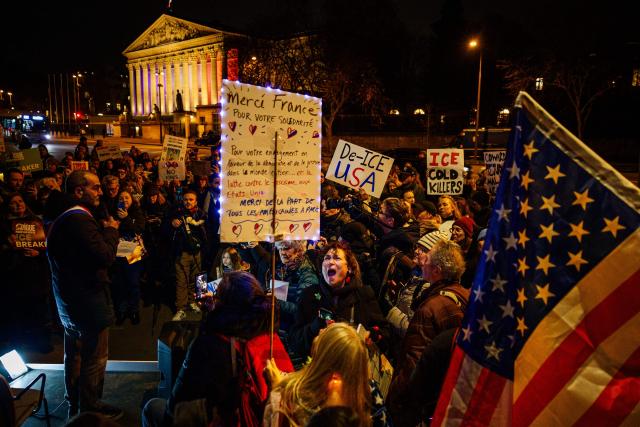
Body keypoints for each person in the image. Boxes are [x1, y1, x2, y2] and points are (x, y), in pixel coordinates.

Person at [142, 271, 293, 427]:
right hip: (263, 416)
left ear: (223, 304)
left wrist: (210, 320)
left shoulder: (209, 344)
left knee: (152, 407)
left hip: (229, 418)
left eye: (218, 296)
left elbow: (176, 406)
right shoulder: (268, 330)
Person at [46, 170, 123, 420]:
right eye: (96, 187)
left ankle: (75, 404)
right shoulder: (79, 219)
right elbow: (104, 256)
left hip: (69, 301)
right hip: (88, 302)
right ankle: (89, 411)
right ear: (79, 191)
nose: (100, 192)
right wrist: (111, 231)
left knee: (75, 354)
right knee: (95, 357)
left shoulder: (63, 217)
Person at [387, 240, 469, 414]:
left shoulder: (430, 308)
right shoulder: (464, 294)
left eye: (428, 260)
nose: (422, 262)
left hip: (426, 402)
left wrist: (394, 397)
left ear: (437, 271)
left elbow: (414, 361)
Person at [289, 241, 389, 359]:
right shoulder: (309, 295)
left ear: (350, 268)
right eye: (327, 258)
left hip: (353, 370)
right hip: (320, 369)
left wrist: (371, 335)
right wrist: (314, 329)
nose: (330, 262)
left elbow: (385, 332)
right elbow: (295, 342)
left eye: (336, 258)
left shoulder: (364, 294)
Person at [264, 323, 373, 427]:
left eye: (322, 336)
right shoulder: (365, 401)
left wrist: (279, 399)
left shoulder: (289, 403)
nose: (319, 334)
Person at [166, 189, 208, 320]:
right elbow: (165, 230)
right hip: (182, 253)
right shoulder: (176, 213)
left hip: (197, 252)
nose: (188, 202)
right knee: (182, 280)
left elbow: (207, 233)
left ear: (196, 201)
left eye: (191, 199)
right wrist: (172, 224)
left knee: (197, 278)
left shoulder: (201, 214)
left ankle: (194, 301)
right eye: (185, 199)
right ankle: (181, 308)